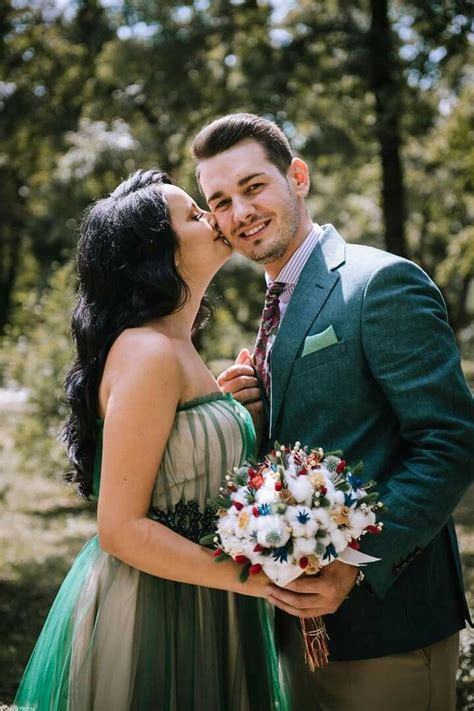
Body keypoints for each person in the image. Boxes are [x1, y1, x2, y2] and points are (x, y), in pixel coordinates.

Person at [192, 113, 474, 711]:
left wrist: (355, 563)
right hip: (297, 630)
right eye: (219, 201)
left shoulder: (381, 283)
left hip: (388, 626)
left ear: (298, 176)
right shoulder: (276, 308)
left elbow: (449, 440)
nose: (239, 212)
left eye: (252, 187)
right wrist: (254, 415)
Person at [13, 169, 288, 711]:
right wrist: (257, 583)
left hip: (209, 598)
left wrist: (241, 413)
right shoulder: (147, 352)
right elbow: (119, 529)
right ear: (157, 254)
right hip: (156, 610)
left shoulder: (176, 346)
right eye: (193, 214)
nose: (214, 218)